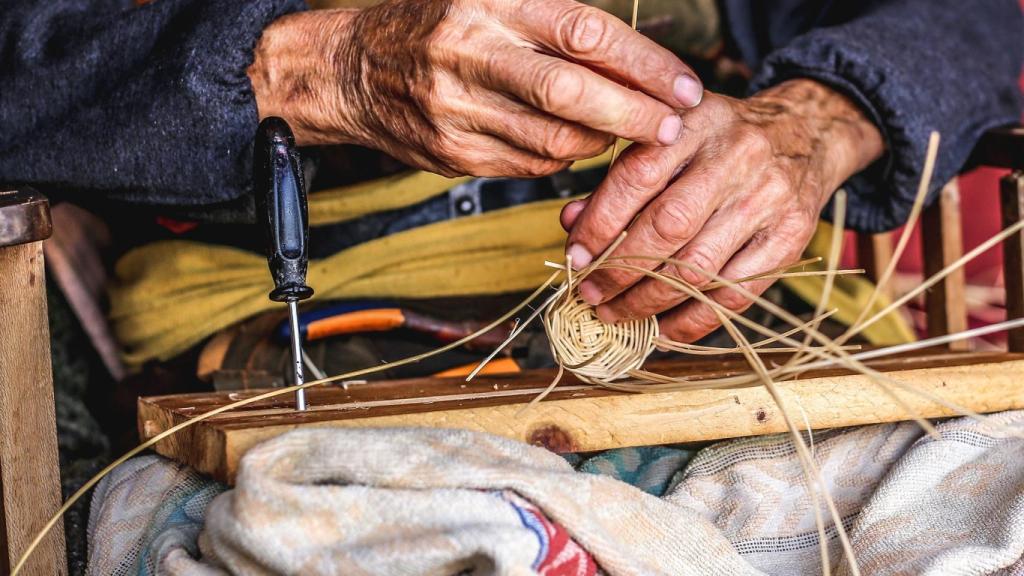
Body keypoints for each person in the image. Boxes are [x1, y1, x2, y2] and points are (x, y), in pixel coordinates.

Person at [1, 0, 1021, 345]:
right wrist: (317, 67)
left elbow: (974, 21)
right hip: (303, 324)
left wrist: (821, 116)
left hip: (742, 314)